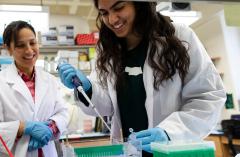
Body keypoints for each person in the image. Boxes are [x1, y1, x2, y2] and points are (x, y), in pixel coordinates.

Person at [58, 1, 226, 156]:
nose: (111, 19)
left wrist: (169, 132)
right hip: (129, 151)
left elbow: (208, 97)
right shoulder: (107, 48)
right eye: (104, 12)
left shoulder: (178, 36)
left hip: (171, 151)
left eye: (118, 8)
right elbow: (106, 106)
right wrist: (86, 88)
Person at [0, 20, 68, 157]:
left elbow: (63, 113)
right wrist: (22, 127)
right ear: (8, 48)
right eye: (21, 45)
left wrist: (52, 127)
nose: (29, 50)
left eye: (32, 43)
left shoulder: (50, 80)